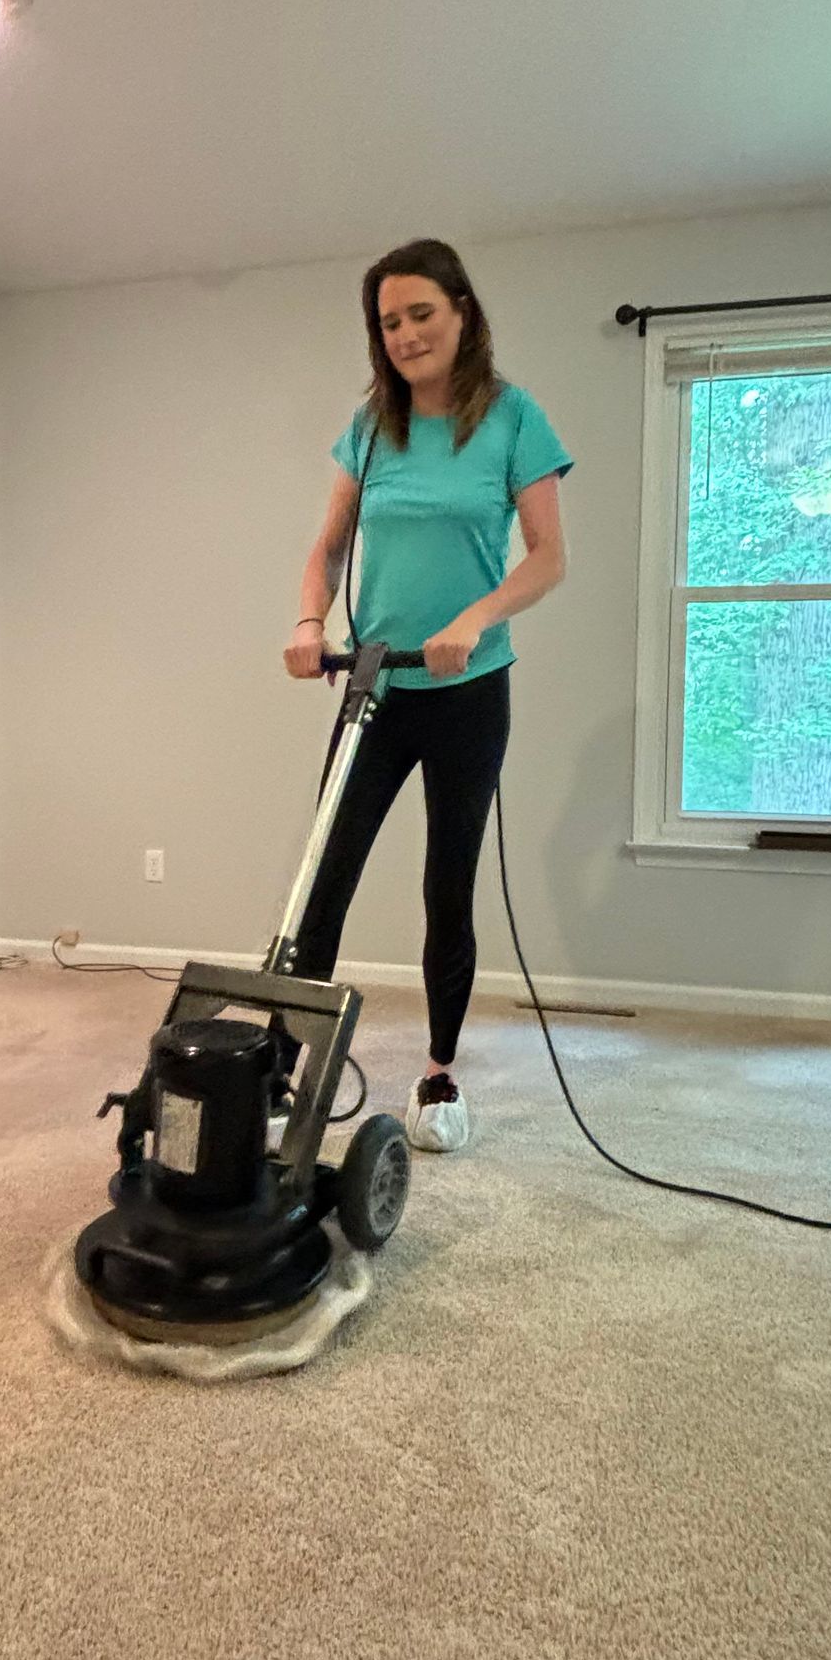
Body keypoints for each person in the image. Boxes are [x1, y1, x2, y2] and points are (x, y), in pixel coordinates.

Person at [283, 238, 571, 1152]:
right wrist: (305, 622)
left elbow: (550, 559)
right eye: (389, 322)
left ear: (461, 314)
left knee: (449, 888)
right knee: (322, 880)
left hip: (467, 693)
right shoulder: (371, 427)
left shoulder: (514, 419)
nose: (406, 335)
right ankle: (285, 1076)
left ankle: (440, 1077)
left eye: (421, 315)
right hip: (375, 684)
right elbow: (327, 546)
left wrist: (475, 619)